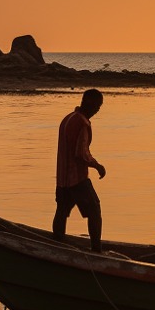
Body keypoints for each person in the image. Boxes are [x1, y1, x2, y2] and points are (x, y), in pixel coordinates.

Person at [53, 88, 106, 252]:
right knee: (95, 210)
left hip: (62, 179)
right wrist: (97, 165)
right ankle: (96, 250)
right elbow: (81, 153)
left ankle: (56, 245)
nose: (98, 110)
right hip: (77, 179)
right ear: (90, 104)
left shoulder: (67, 119)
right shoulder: (82, 123)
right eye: (98, 106)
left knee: (62, 211)